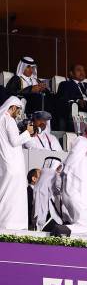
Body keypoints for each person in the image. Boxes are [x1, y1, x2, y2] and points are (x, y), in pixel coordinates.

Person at [0, 97, 35, 229]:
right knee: (12, 197)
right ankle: (12, 226)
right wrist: (28, 132)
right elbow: (15, 141)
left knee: (5, 195)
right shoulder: (8, 119)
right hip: (13, 166)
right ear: (13, 107)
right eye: (18, 110)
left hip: (5, 165)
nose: (19, 114)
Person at [57, 136, 87, 235]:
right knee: (86, 227)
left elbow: (57, 182)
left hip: (66, 199)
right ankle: (61, 229)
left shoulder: (65, 162)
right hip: (82, 200)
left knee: (78, 225)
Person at [33, 157, 64, 233]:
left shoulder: (39, 183)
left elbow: (59, 188)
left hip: (50, 218)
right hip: (46, 219)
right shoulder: (41, 185)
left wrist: (57, 173)